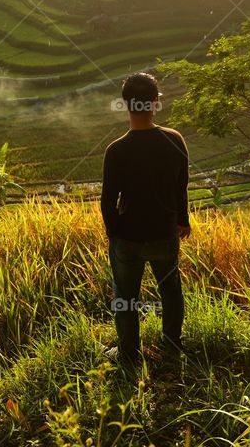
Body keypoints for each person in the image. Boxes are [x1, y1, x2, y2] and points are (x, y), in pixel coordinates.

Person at [101, 72, 191, 365]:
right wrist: (183, 221)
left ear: (126, 104)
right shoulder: (175, 139)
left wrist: (115, 235)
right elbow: (181, 187)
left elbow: (107, 202)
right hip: (165, 233)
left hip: (129, 238)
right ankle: (172, 345)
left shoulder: (115, 150)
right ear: (155, 103)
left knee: (126, 297)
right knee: (170, 289)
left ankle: (128, 354)